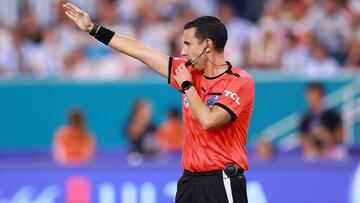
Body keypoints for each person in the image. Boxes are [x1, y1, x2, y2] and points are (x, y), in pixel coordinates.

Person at [63, 3, 254, 202]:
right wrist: (94, 29)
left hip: (222, 181)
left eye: (188, 44)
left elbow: (209, 120)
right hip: (189, 180)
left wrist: (187, 86)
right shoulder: (188, 71)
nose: (183, 50)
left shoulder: (239, 81)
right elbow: (140, 51)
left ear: (206, 44)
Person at [298, 82, 347, 161]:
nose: (311, 98)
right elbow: (301, 137)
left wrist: (327, 137)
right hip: (313, 153)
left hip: (332, 153)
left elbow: (341, 133)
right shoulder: (305, 117)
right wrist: (312, 139)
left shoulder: (332, 115)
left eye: (314, 95)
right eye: (309, 95)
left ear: (321, 95)